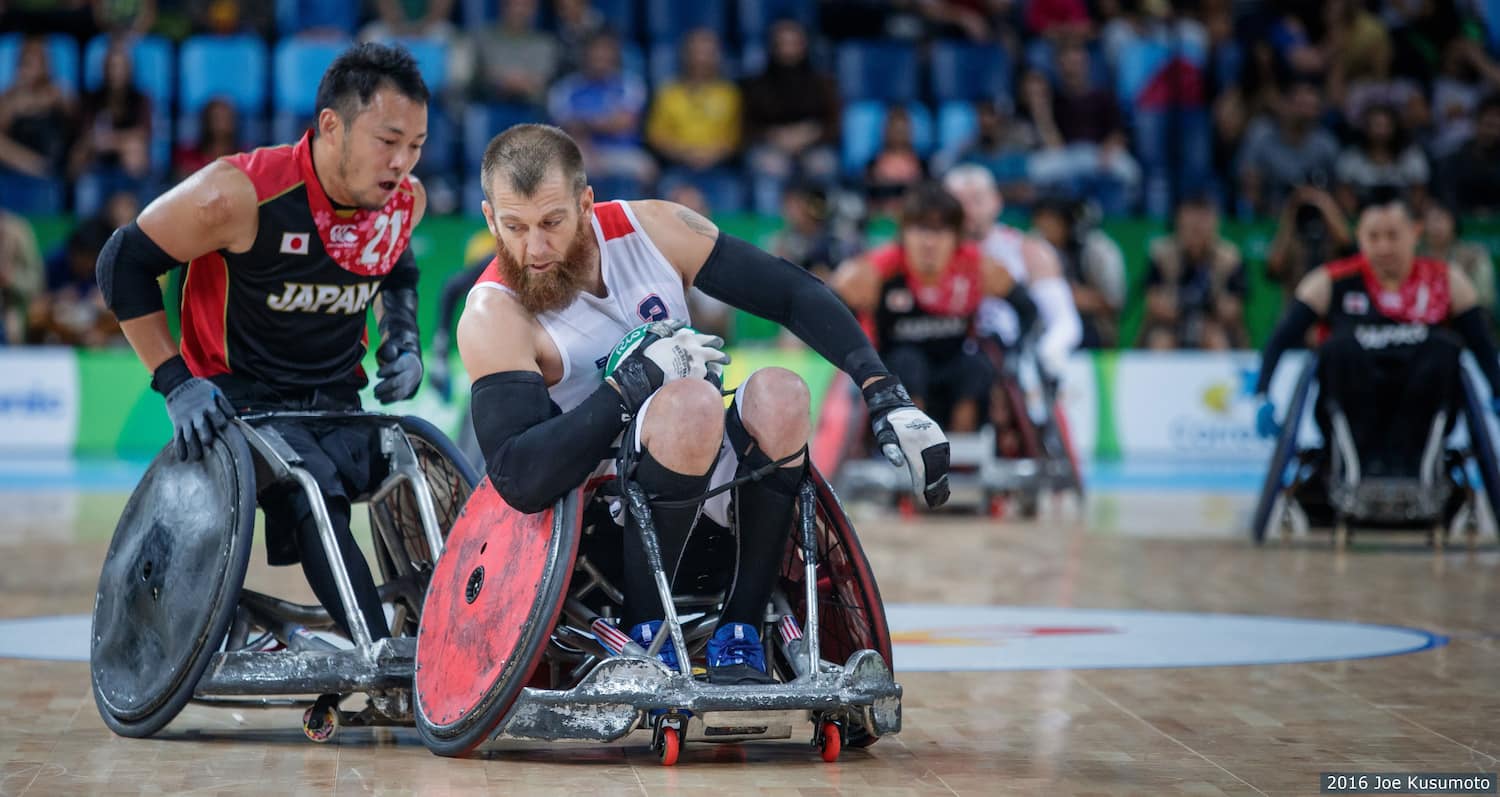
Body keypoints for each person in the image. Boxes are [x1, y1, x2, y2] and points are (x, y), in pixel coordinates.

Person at [457, 124, 950, 685]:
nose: (535, 249)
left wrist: (884, 392)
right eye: (515, 227)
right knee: (689, 404)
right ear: (491, 219)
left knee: (782, 393)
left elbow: (790, 293)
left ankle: (740, 631)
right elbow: (519, 479)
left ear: (586, 204)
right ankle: (648, 632)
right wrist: (631, 386)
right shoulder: (492, 313)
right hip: (597, 533)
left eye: (552, 223)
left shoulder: (653, 229)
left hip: (719, 501)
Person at [95, 43, 432, 645]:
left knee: (425, 478)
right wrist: (175, 383)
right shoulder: (239, 194)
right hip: (240, 402)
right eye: (388, 141)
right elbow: (121, 264)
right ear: (332, 125)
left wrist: (403, 338)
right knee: (313, 498)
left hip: (335, 396)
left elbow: (398, 268)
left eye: (416, 146)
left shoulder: (403, 200)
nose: (403, 162)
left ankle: (442, 638)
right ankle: (387, 659)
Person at [1254, 196, 1500, 478]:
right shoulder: (1328, 282)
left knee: (1447, 348)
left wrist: (1496, 389)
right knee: (1335, 349)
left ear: (1414, 233)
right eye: (1373, 236)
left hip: (1424, 410)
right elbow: (1279, 340)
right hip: (1352, 408)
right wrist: (1263, 394)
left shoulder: (1448, 281)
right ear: (1359, 236)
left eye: (1393, 236)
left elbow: (1482, 344)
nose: (1383, 246)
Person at [830, 181, 1037, 434]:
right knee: (909, 362)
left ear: (956, 236)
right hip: (894, 382)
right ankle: (914, 438)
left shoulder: (980, 268)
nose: (929, 242)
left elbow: (1029, 310)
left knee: (978, 365)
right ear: (904, 233)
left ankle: (964, 447)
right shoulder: (873, 271)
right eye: (920, 229)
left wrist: (1011, 351)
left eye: (940, 231)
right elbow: (829, 316)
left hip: (954, 376)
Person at [943, 164, 1080, 378]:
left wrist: (1047, 352)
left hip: (1010, 361)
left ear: (996, 202)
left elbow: (1065, 323)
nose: (968, 210)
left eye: (977, 201)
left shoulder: (1030, 251)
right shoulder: (928, 254)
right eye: (959, 203)